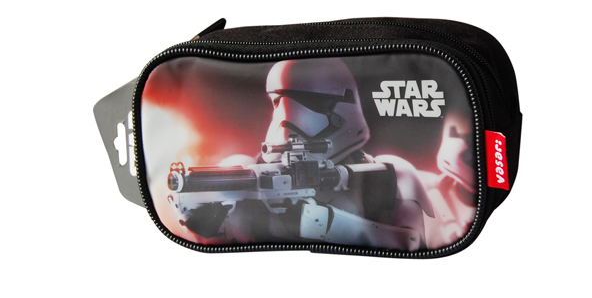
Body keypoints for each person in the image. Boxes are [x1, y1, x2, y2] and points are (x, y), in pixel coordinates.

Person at [176, 58, 443, 250]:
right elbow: (213, 246)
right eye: (278, 101)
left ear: (342, 106)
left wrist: (319, 222)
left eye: (310, 102)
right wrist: (199, 217)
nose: (287, 120)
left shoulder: (393, 174)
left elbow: (411, 244)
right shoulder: (243, 173)